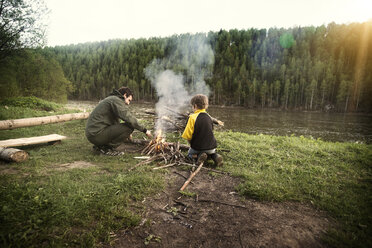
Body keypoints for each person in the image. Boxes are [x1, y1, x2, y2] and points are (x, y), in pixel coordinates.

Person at [85, 86, 152, 155]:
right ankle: (106, 148)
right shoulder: (116, 100)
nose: (128, 103)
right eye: (129, 100)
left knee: (128, 127)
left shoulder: (112, 99)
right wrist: (145, 130)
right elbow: (129, 118)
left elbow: (115, 123)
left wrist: (126, 134)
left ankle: (100, 146)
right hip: (96, 134)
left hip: (93, 133)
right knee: (130, 127)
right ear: (125, 95)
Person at [181, 94, 223, 167]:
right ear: (206, 106)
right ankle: (215, 156)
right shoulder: (209, 117)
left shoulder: (192, 117)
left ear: (195, 106)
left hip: (197, 147)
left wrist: (191, 145)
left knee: (190, 154)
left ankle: (198, 157)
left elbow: (188, 136)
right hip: (212, 147)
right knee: (210, 152)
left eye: (192, 106)